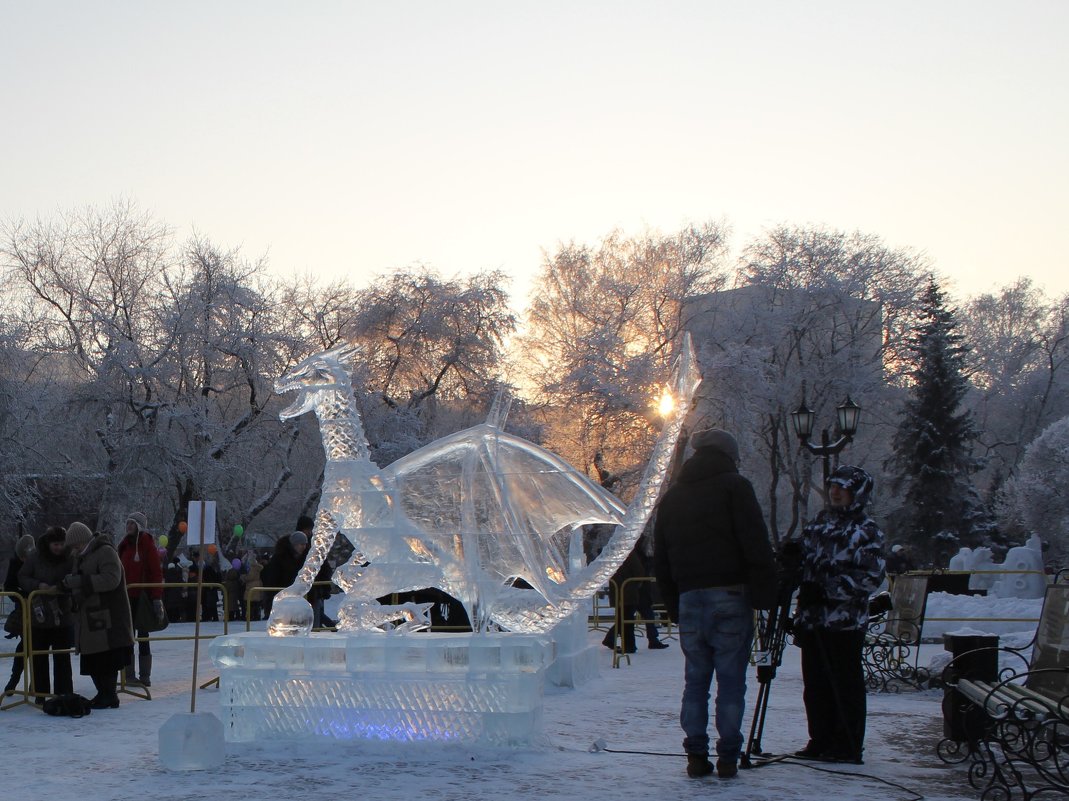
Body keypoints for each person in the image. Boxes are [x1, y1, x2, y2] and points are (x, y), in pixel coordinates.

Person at [654, 427, 777, 780]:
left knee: (695, 681)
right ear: (728, 456)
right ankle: (727, 757)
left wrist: (673, 602)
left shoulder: (673, 498)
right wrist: (766, 594)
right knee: (731, 681)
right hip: (730, 595)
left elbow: (661, 557)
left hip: (690, 597)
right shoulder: (735, 488)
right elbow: (755, 542)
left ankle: (695, 754)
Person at [790, 464, 886, 765]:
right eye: (833, 486)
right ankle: (820, 738)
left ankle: (847, 742)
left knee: (844, 684)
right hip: (813, 619)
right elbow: (805, 564)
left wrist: (831, 589)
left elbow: (871, 577)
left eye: (842, 487)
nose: (835, 492)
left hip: (844, 623)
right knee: (815, 683)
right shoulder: (819, 525)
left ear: (856, 493)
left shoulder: (865, 530)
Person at [62, 522, 135, 709]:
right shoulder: (82, 556)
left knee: (107, 656)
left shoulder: (105, 552)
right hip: (92, 617)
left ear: (84, 540)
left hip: (109, 615)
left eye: (76, 544)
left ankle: (108, 695)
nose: (74, 548)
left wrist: (80, 581)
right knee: (94, 657)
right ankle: (104, 694)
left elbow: (112, 579)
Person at [18, 526, 75, 702]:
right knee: (39, 657)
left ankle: (63, 693)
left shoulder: (69, 557)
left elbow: (75, 575)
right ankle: (41, 694)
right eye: (55, 544)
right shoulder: (35, 557)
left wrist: (63, 586)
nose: (58, 547)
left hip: (61, 615)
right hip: (39, 615)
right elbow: (22, 577)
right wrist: (38, 585)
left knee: (62, 657)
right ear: (49, 543)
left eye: (61, 544)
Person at [116, 512, 163, 687]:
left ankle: (145, 675)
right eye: (127, 523)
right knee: (128, 636)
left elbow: (156, 572)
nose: (128, 526)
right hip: (126, 596)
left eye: (132, 523)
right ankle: (129, 674)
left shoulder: (147, 545)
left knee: (143, 635)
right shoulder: (124, 545)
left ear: (139, 526)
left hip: (142, 597)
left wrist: (156, 597)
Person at [3, 534, 36, 696]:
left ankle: (34, 682)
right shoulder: (14, 563)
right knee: (25, 646)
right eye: (22, 556)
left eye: (26, 557)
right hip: (23, 608)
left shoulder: (36, 562)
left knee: (36, 647)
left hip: (37, 608)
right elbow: (9, 585)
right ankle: (14, 679)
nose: (24, 559)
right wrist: (21, 595)